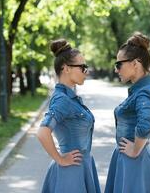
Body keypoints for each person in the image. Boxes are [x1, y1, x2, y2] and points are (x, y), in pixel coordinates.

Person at [37, 39, 101, 193]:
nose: (86, 71)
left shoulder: (69, 97)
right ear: (66, 68)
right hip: (72, 174)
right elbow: (42, 132)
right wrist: (60, 159)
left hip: (81, 167)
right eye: (82, 67)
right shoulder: (62, 99)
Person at [105, 32, 150, 193]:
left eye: (119, 64)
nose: (116, 69)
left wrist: (136, 149)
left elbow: (146, 125)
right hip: (132, 161)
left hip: (134, 164)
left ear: (135, 64)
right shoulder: (143, 90)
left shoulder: (144, 92)